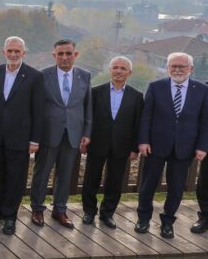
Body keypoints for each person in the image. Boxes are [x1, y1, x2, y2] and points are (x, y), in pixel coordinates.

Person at [136, 52, 208, 238]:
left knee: (176, 188)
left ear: (190, 69)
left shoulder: (202, 90)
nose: (177, 70)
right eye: (173, 66)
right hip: (155, 146)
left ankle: (168, 223)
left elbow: (205, 121)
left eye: (181, 66)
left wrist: (202, 146)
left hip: (185, 148)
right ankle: (143, 219)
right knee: (148, 185)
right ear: (168, 67)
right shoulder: (155, 86)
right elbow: (146, 116)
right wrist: (143, 140)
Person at [0, 36, 43, 236]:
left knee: (15, 178)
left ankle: (9, 216)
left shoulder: (34, 76)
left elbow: (38, 110)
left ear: (24, 53)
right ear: (4, 52)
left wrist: (34, 139)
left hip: (20, 137)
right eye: (10, 51)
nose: (13, 54)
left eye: (17, 51)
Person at [29, 39, 92, 229]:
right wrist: (35, 136)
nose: (64, 57)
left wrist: (87, 133)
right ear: (54, 55)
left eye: (68, 53)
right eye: (60, 54)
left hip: (73, 133)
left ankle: (60, 209)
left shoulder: (85, 76)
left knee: (65, 174)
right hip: (49, 134)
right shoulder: (43, 75)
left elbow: (87, 106)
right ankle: (38, 209)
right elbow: (37, 108)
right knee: (42, 173)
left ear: (76, 54)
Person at [81, 56, 142, 228]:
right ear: (110, 70)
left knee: (115, 182)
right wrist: (85, 139)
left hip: (122, 146)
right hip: (97, 143)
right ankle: (89, 212)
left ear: (129, 72)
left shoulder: (136, 96)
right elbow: (88, 118)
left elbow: (137, 124)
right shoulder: (95, 92)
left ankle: (107, 214)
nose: (118, 71)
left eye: (123, 68)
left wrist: (134, 148)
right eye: (115, 67)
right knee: (91, 178)